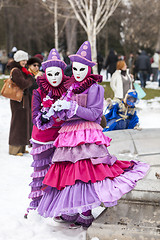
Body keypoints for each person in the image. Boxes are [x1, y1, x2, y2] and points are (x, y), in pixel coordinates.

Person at [37, 41, 150, 229]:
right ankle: (72, 208)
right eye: (75, 69)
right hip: (68, 135)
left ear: (89, 69)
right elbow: (66, 115)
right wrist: (58, 110)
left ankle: (86, 210)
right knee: (68, 171)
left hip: (88, 133)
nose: (78, 73)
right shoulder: (69, 87)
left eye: (82, 69)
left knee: (86, 171)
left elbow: (95, 114)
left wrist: (73, 107)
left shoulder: (96, 88)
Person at [25, 48, 69, 217]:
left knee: (60, 175)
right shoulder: (38, 91)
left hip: (62, 140)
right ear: (45, 74)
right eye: (50, 74)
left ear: (62, 73)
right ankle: (36, 206)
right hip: (42, 140)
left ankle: (57, 207)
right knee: (40, 174)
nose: (54, 78)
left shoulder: (67, 91)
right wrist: (45, 117)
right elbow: (35, 116)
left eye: (57, 73)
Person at [6, 50, 34, 156]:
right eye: (23, 59)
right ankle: (14, 149)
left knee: (23, 122)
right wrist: (30, 79)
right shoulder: (16, 71)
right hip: (17, 101)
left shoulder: (22, 70)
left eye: (25, 59)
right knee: (17, 123)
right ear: (18, 60)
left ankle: (21, 147)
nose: (25, 62)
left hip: (23, 100)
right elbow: (23, 84)